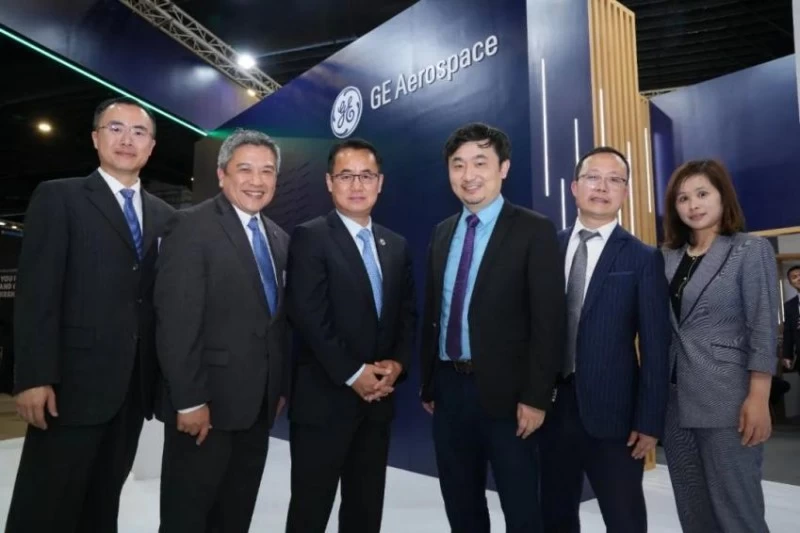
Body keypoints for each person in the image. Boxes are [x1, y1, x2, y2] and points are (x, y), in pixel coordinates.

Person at [6, 96, 174, 532]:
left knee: (103, 502)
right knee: (45, 503)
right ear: (96, 138)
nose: (127, 140)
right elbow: (37, 294)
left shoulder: (167, 216)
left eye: (139, 132)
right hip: (69, 386)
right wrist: (33, 376)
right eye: (116, 128)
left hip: (132, 388)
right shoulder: (59, 197)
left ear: (151, 147)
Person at [419, 122, 565, 533]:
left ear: (503, 168)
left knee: (522, 509)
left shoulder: (534, 230)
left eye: (480, 162)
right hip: (449, 391)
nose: (468, 175)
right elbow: (434, 311)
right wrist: (430, 382)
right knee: (461, 503)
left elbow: (549, 320)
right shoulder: (442, 232)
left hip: (511, 398)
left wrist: (536, 397)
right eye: (458, 164)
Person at [153, 129, 290, 532]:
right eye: (245, 169)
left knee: (235, 516)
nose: (257, 180)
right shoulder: (190, 226)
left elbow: (276, 324)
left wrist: (277, 387)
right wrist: (189, 401)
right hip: (205, 408)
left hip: (257, 410)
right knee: (186, 518)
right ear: (221, 174)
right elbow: (176, 321)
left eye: (267, 171)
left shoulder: (279, 237)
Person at [284, 138, 416, 533]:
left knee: (365, 512)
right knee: (309, 513)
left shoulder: (395, 245)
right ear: (329, 182)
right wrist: (354, 373)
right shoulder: (310, 237)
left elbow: (407, 315)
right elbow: (309, 316)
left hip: (377, 406)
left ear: (380, 183)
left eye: (366, 176)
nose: (357, 185)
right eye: (346, 176)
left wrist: (397, 365)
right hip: (323, 403)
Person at [539, 147, 671, 532]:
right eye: (593, 177)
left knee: (624, 518)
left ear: (625, 192)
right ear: (574, 187)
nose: (602, 187)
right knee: (554, 515)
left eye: (615, 180)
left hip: (616, 418)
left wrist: (650, 420)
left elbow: (656, 345)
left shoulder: (643, 258)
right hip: (549, 410)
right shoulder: (545, 249)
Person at [661, 159, 778, 533]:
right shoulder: (666, 257)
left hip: (727, 400)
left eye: (702, 194)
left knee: (738, 512)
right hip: (674, 403)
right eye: (683, 198)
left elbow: (762, 327)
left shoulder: (749, 249)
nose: (693, 204)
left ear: (722, 197)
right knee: (693, 511)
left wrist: (759, 397)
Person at [781, 266, 800, 372]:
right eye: (794, 277)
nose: (798, 278)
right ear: (791, 283)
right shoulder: (789, 306)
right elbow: (788, 332)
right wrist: (787, 355)